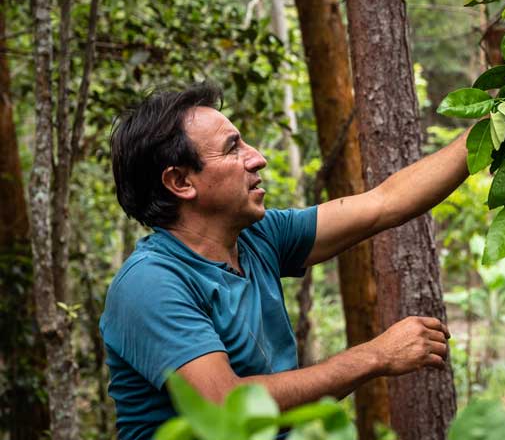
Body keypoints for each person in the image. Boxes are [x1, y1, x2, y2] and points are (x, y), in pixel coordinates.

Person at [100, 83, 470, 440]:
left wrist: (490, 130)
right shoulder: (150, 282)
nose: (257, 157)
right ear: (181, 181)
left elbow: (386, 203)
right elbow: (227, 409)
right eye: (233, 149)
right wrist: (376, 355)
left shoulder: (258, 236)